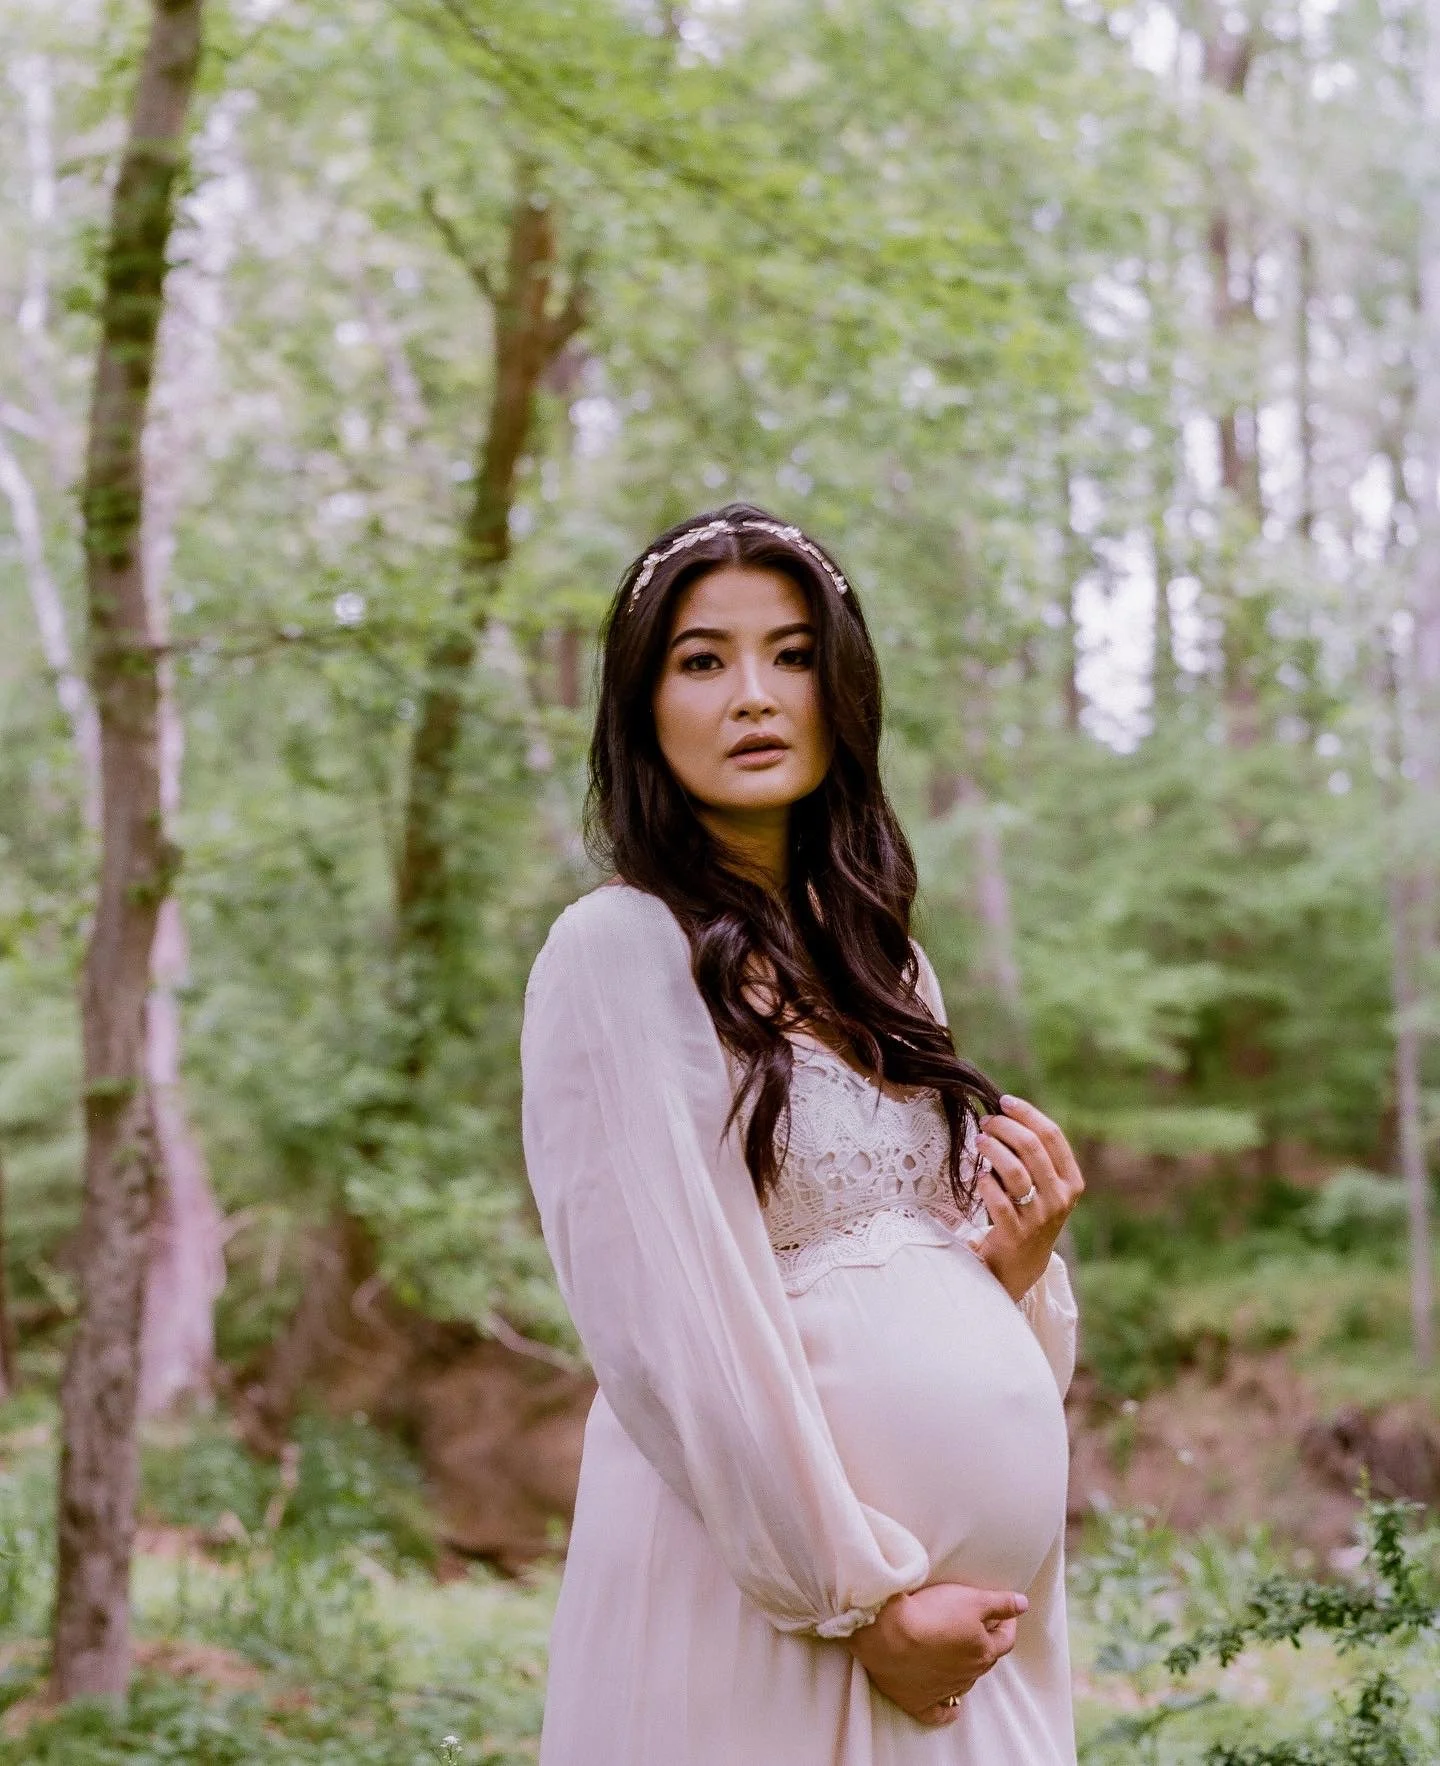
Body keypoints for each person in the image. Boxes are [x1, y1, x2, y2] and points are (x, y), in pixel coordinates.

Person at [520, 504, 1085, 1765]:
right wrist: (861, 1601)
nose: (754, 695)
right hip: (770, 1605)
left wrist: (1015, 1267)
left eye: (792, 654)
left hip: (963, 1632)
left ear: (843, 690)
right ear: (643, 706)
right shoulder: (618, 951)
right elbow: (669, 1323)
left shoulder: (886, 962)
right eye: (702, 659)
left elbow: (919, 1283)